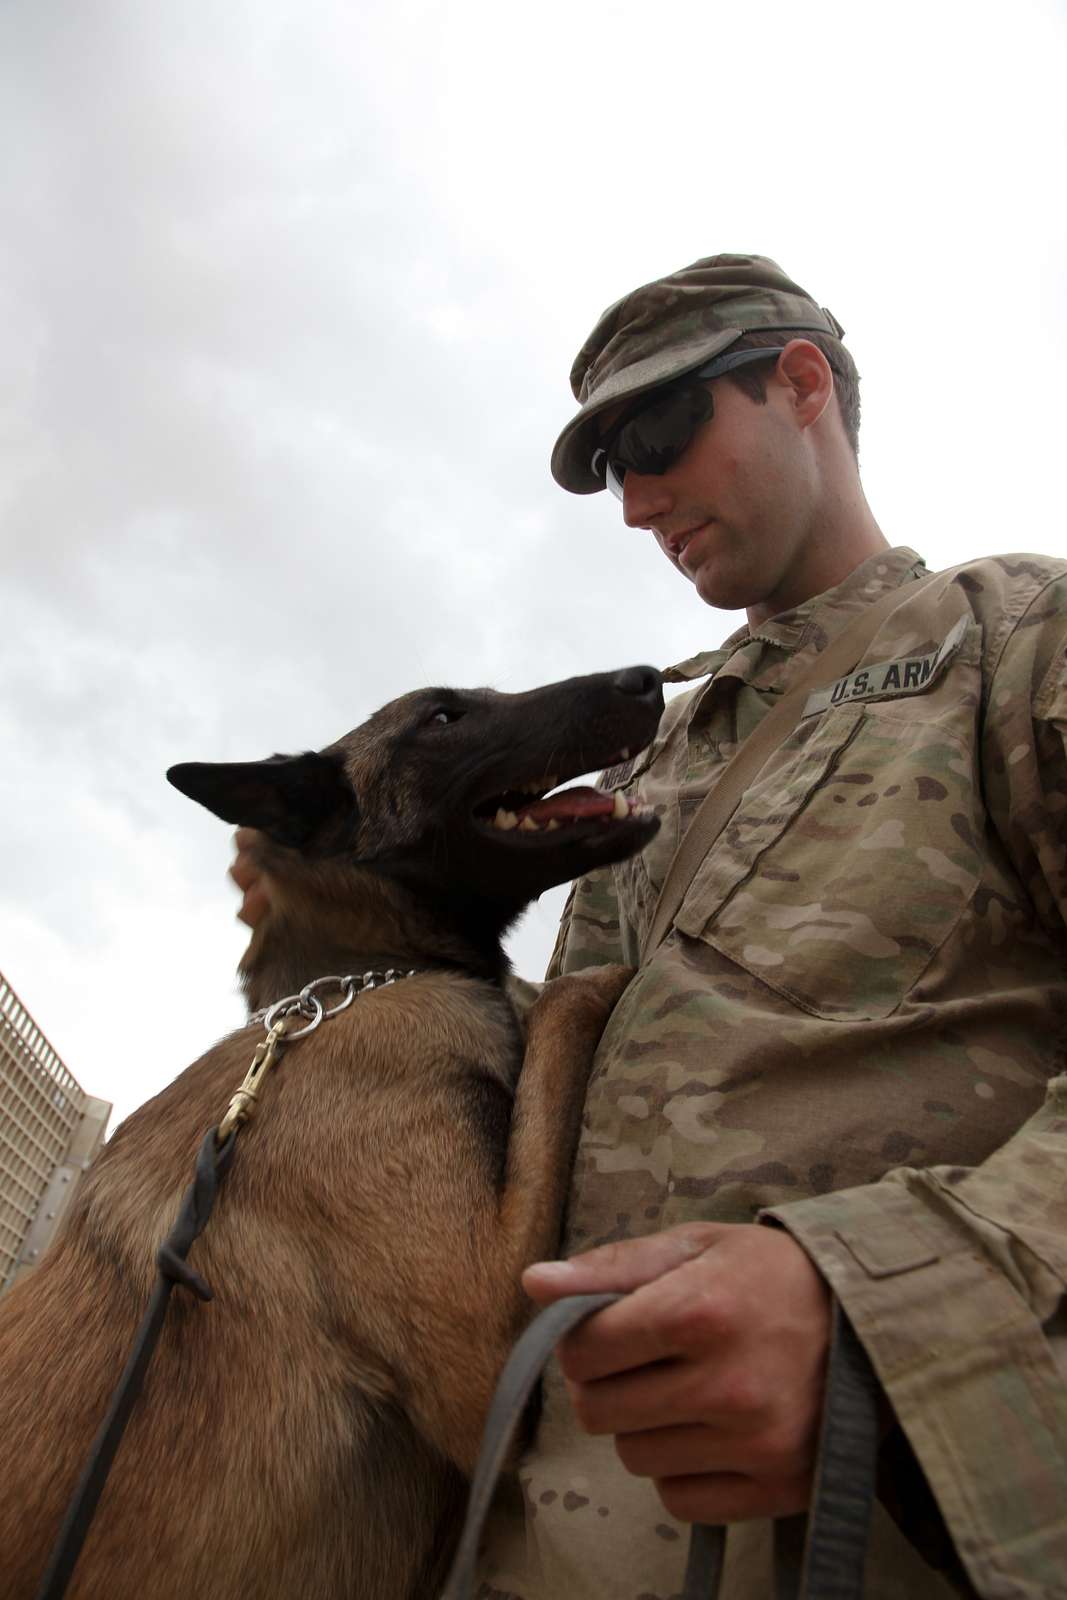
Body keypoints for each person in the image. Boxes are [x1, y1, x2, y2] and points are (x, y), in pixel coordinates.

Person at [231, 256, 1067, 1599]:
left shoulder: (1013, 636)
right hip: (527, 1536)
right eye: (612, 465)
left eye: (660, 436)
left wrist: (885, 1310)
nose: (636, 501)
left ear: (800, 384)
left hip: (886, 1526)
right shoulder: (639, 773)